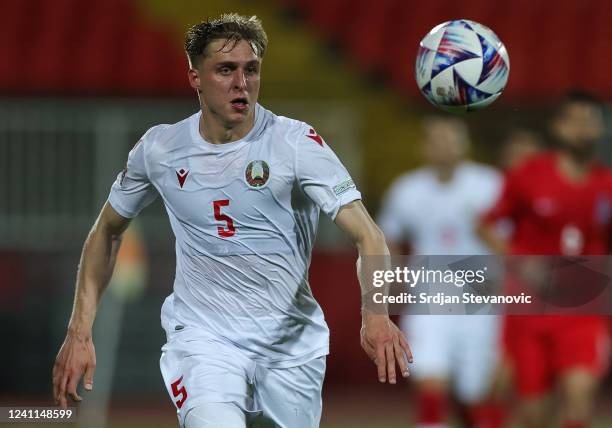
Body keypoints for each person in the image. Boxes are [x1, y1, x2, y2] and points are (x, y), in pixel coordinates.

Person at [52, 14, 412, 428]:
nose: (242, 82)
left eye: (251, 69)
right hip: (204, 341)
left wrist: (376, 314)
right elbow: (106, 233)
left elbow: (368, 235)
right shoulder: (160, 149)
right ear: (195, 78)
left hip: (290, 347)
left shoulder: (295, 144)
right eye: (226, 70)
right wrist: (79, 330)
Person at [478, 91, 611, 428]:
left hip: (584, 310)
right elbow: (485, 225)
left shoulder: (606, 183)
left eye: (589, 121)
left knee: (579, 396)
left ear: (600, 128)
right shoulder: (528, 175)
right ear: (558, 126)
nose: (582, 129)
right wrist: (522, 263)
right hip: (532, 310)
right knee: (535, 413)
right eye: (575, 121)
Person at [378, 116, 503, 428]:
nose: (444, 146)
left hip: (480, 306)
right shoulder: (407, 188)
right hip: (428, 305)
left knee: (475, 398)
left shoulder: (490, 184)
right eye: (436, 139)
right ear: (424, 147)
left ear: (465, 145)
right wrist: (389, 281)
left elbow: (511, 242)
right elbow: (387, 237)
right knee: (430, 389)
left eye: (451, 139)